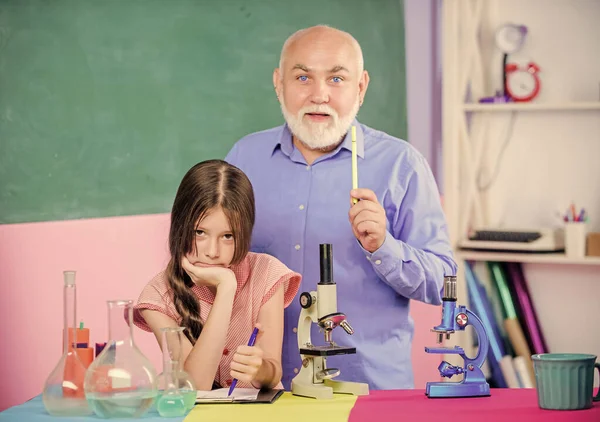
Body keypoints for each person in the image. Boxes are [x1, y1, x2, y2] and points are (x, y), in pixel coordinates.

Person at [225, 25, 457, 390]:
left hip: (369, 391)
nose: (319, 95)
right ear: (278, 83)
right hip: (263, 392)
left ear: (360, 87)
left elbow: (445, 283)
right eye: (303, 77)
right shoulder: (244, 159)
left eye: (336, 78)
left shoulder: (401, 165)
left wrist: (384, 247)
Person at [132, 159, 301, 391]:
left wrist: (260, 369)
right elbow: (195, 385)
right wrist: (226, 288)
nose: (212, 252)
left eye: (228, 236)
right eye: (200, 232)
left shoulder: (267, 273)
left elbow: (273, 374)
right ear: (180, 226)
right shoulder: (158, 296)